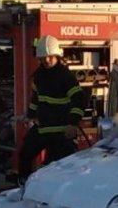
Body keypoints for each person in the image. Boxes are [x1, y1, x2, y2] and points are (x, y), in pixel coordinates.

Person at [17, 36, 87, 183]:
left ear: (56, 56)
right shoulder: (38, 76)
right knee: (24, 155)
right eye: (43, 58)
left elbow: (79, 100)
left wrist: (73, 123)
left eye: (50, 57)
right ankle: (25, 187)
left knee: (53, 167)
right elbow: (37, 98)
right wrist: (31, 115)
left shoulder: (66, 76)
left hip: (61, 130)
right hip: (43, 128)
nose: (46, 60)